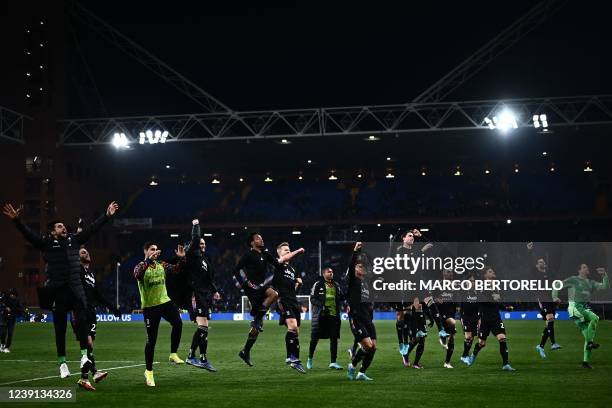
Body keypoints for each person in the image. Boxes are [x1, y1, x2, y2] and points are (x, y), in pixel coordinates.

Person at [2, 201, 118, 381]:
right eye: (59, 226)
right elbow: (29, 235)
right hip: (56, 291)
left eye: (64, 225)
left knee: (82, 323)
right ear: (52, 232)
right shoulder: (46, 244)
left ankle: (84, 357)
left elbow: (92, 230)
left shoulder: (73, 239)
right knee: (60, 329)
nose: (63, 227)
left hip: (75, 289)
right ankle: (62, 363)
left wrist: (107, 216)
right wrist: (17, 221)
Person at [133, 242, 186, 387]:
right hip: (150, 307)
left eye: (156, 249)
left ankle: (173, 354)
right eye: (152, 249)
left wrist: (181, 258)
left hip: (165, 302)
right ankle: (149, 372)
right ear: (145, 251)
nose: (155, 251)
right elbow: (137, 275)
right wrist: (148, 260)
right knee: (152, 340)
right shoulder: (140, 266)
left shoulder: (161, 264)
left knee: (178, 323)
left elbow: (176, 269)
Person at [70, 247, 120, 390]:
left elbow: (98, 295)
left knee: (90, 345)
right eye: (82, 252)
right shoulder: (77, 272)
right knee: (88, 343)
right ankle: (93, 373)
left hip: (91, 313)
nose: (86, 252)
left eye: (87, 251)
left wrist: (112, 307)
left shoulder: (90, 273)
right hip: (80, 311)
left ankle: (85, 378)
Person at [233, 233, 280, 366]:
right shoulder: (248, 254)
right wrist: (244, 283)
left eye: (261, 237)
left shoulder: (265, 254)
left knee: (257, 327)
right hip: (253, 289)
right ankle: (257, 317)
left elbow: (276, 264)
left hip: (261, 287)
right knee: (273, 294)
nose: (261, 239)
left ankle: (245, 351)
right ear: (252, 242)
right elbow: (236, 270)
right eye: (258, 238)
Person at [552, 264, 609, 369]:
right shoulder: (573, 280)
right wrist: (555, 296)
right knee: (595, 318)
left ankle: (585, 362)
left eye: (587, 267)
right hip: (575, 307)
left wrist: (604, 275)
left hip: (581, 309)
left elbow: (605, 286)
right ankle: (591, 343)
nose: (587, 268)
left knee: (588, 336)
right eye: (584, 267)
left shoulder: (590, 282)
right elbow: (556, 284)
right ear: (579, 270)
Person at [184, 219, 220, 372]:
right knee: (203, 326)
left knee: (204, 328)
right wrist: (195, 225)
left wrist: (215, 290)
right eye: (200, 243)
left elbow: (208, 278)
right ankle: (193, 356)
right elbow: (195, 239)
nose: (202, 245)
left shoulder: (204, 259)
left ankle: (202, 358)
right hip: (195, 294)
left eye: (204, 244)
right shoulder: (192, 254)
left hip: (205, 295)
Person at [465, 267, 516, 371]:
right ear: (485, 275)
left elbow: (497, 302)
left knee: (502, 338)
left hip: (496, 318)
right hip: (485, 319)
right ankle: (473, 355)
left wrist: (505, 307)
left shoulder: (496, 286)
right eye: (490, 271)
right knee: (482, 343)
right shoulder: (482, 287)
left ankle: (505, 364)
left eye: (493, 271)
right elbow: (482, 301)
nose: (493, 272)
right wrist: (493, 300)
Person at [273, 242, 306, 373]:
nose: (288, 251)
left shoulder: (291, 269)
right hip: (283, 300)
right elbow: (286, 258)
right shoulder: (278, 263)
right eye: (285, 250)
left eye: (289, 249)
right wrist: (297, 251)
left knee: (295, 332)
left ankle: (289, 356)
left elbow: (292, 289)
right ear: (279, 253)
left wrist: (298, 284)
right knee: (292, 327)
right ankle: (295, 360)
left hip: (293, 301)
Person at [346, 242, 376, 381]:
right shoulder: (353, 281)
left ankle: (361, 372)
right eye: (359, 266)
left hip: (368, 320)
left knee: (373, 348)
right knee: (368, 346)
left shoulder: (366, 283)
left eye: (362, 266)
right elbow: (351, 265)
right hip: (357, 319)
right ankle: (352, 365)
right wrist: (355, 252)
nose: (361, 268)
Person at [527, 243, 562, 359]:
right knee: (550, 319)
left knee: (549, 324)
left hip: (550, 299)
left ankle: (543, 345)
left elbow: (554, 286)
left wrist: (556, 298)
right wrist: (531, 252)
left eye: (543, 262)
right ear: (537, 265)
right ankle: (552, 343)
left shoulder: (548, 274)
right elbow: (531, 262)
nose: (543, 263)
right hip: (542, 299)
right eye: (540, 262)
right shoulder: (535, 273)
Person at [307, 267, 344, 370]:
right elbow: (312, 298)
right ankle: (310, 358)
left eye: (332, 272)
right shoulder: (318, 284)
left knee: (334, 338)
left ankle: (333, 362)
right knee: (315, 338)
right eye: (329, 272)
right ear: (324, 274)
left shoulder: (336, 285)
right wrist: (322, 306)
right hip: (321, 316)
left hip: (333, 316)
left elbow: (341, 297)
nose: (331, 273)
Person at [435, 269, 458, 368]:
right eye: (448, 272)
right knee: (452, 322)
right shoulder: (438, 284)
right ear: (443, 274)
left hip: (451, 313)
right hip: (441, 314)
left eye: (451, 272)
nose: (451, 273)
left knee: (452, 338)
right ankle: (442, 337)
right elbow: (431, 299)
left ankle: (447, 362)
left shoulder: (455, 286)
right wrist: (437, 300)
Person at [0, 288, 22, 354]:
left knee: (10, 334)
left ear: (15, 295)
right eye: (11, 294)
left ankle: (7, 347)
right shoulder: (5, 299)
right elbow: (1, 305)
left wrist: (14, 310)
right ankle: (2, 345)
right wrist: (5, 308)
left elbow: (20, 309)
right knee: (3, 332)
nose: (11, 295)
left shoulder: (17, 301)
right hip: (4, 318)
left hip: (12, 319)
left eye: (13, 294)